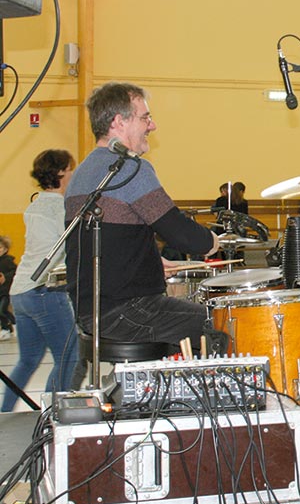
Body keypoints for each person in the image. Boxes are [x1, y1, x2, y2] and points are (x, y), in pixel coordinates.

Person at [65, 82, 220, 351]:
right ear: (118, 122)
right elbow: (182, 235)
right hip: (127, 310)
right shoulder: (129, 168)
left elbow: (109, 241)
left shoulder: (83, 172)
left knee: (188, 335)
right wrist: (213, 241)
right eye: (145, 118)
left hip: (91, 312)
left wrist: (150, 261)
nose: (152, 125)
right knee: (225, 323)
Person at [2, 151, 79, 411]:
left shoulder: (35, 205)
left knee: (29, 359)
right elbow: (73, 246)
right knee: (69, 357)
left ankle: (4, 413)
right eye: (70, 169)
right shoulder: (61, 208)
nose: (73, 174)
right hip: (44, 291)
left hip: (20, 292)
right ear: (61, 172)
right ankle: (51, 417)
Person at [0, 235, 16, 340]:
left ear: (5, 249)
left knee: (2, 309)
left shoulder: (8, 261)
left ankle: (13, 324)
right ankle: (6, 328)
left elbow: (14, 272)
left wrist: (5, 277)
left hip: (6, 292)